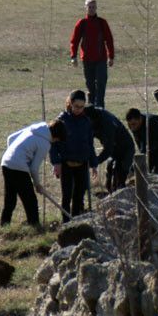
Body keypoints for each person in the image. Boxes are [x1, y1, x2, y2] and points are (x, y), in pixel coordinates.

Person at [0, 119, 66, 227]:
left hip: (6, 162)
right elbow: (34, 168)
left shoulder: (36, 128)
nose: (56, 141)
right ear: (56, 136)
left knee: (10, 199)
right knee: (30, 201)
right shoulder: (45, 143)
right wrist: (37, 184)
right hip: (18, 168)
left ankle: (4, 225)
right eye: (57, 139)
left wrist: (14, 155)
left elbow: (10, 138)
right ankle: (35, 227)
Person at [50, 91, 97, 222]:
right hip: (66, 165)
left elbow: (90, 144)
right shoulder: (61, 121)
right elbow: (53, 144)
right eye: (76, 106)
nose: (79, 109)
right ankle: (65, 222)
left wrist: (94, 164)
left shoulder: (86, 122)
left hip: (82, 164)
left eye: (82, 107)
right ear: (70, 104)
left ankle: (76, 222)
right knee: (67, 196)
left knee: (79, 195)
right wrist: (56, 162)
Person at [69, 0, 115, 108]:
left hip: (101, 59)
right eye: (89, 7)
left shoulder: (102, 23)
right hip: (87, 60)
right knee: (90, 86)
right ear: (86, 8)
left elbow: (109, 40)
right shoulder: (82, 23)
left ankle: (100, 108)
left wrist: (111, 56)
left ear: (96, 8)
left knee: (101, 84)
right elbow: (74, 41)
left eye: (93, 7)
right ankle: (91, 107)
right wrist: (73, 56)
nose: (91, 9)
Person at [84, 106, 135, 193]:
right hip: (113, 150)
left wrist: (95, 162)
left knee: (119, 179)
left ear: (92, 119)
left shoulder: (107, 123)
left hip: (125, 149)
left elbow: (108, 150)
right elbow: (88, 142)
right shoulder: (90, 118)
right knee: (109, 179)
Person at [125, 108, 158, 176]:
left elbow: (145, 150)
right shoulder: (134, 125)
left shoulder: (151, 123)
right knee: (146, 168)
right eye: (129, 125)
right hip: (152, 145)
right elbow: (140, 144)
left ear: (140, 119)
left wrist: (133, 168)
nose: (132, 128)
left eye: (134, 124)